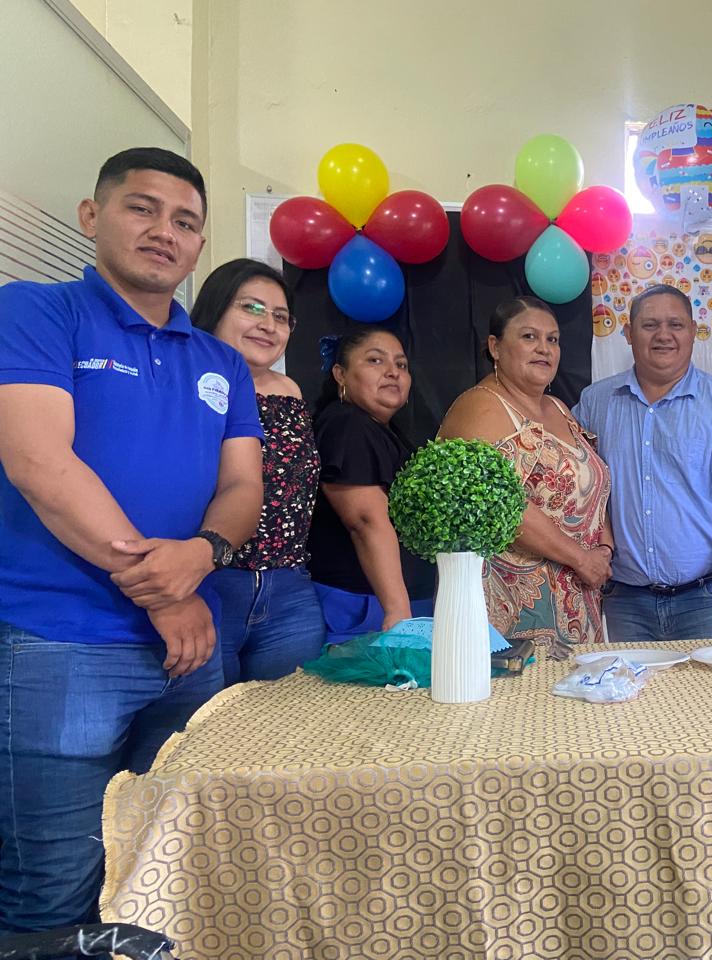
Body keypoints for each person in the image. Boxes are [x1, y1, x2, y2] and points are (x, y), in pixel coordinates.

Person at [0, 149, 263, 937]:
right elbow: (39, 462)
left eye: (185, 221)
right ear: (92, 215)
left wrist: (204, 555)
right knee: (54, 894)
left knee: (178, 875)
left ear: (199, 244)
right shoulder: (37, 311)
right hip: (60, 646)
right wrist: (164, 594)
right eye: (141, 208)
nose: (163, 232)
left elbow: (242, 488)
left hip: (192, 651)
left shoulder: (222, 362)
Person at [574, 284, 712, 641]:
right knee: (631, 682)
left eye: (675, 325)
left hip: (711, 598)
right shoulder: (595, 402)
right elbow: (575, 485)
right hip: (626, 602)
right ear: (628, 334)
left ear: (693, 332)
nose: (663, 335)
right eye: (650, 325)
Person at [438, 297, 612, 657]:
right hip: (515, 611)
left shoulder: (558, 407)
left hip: (580, 600)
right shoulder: (480, 407)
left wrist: (604, 549)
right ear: (495, 347)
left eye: (553, 339)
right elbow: (499, 504)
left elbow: (594, 483)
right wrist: (581, 559)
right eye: (529, 336)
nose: (544, 348)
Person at [191, 258, 325, 683]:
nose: (268, 325)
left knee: (289, 719)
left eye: (281, 317)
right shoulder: (184, 379)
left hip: (289, 588)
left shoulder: (289, 390)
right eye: (251, 308)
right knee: (206, 717)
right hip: (210, 582)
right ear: (215, 309)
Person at [306, 328, 435, 641]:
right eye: (375, 361)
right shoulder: (347, 424)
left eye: (401, 365)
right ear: (340, 374)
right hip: (364, 609)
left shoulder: (382, 430)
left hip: (397, 604)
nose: (393, 372)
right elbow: (365, 521)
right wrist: (398, 611)